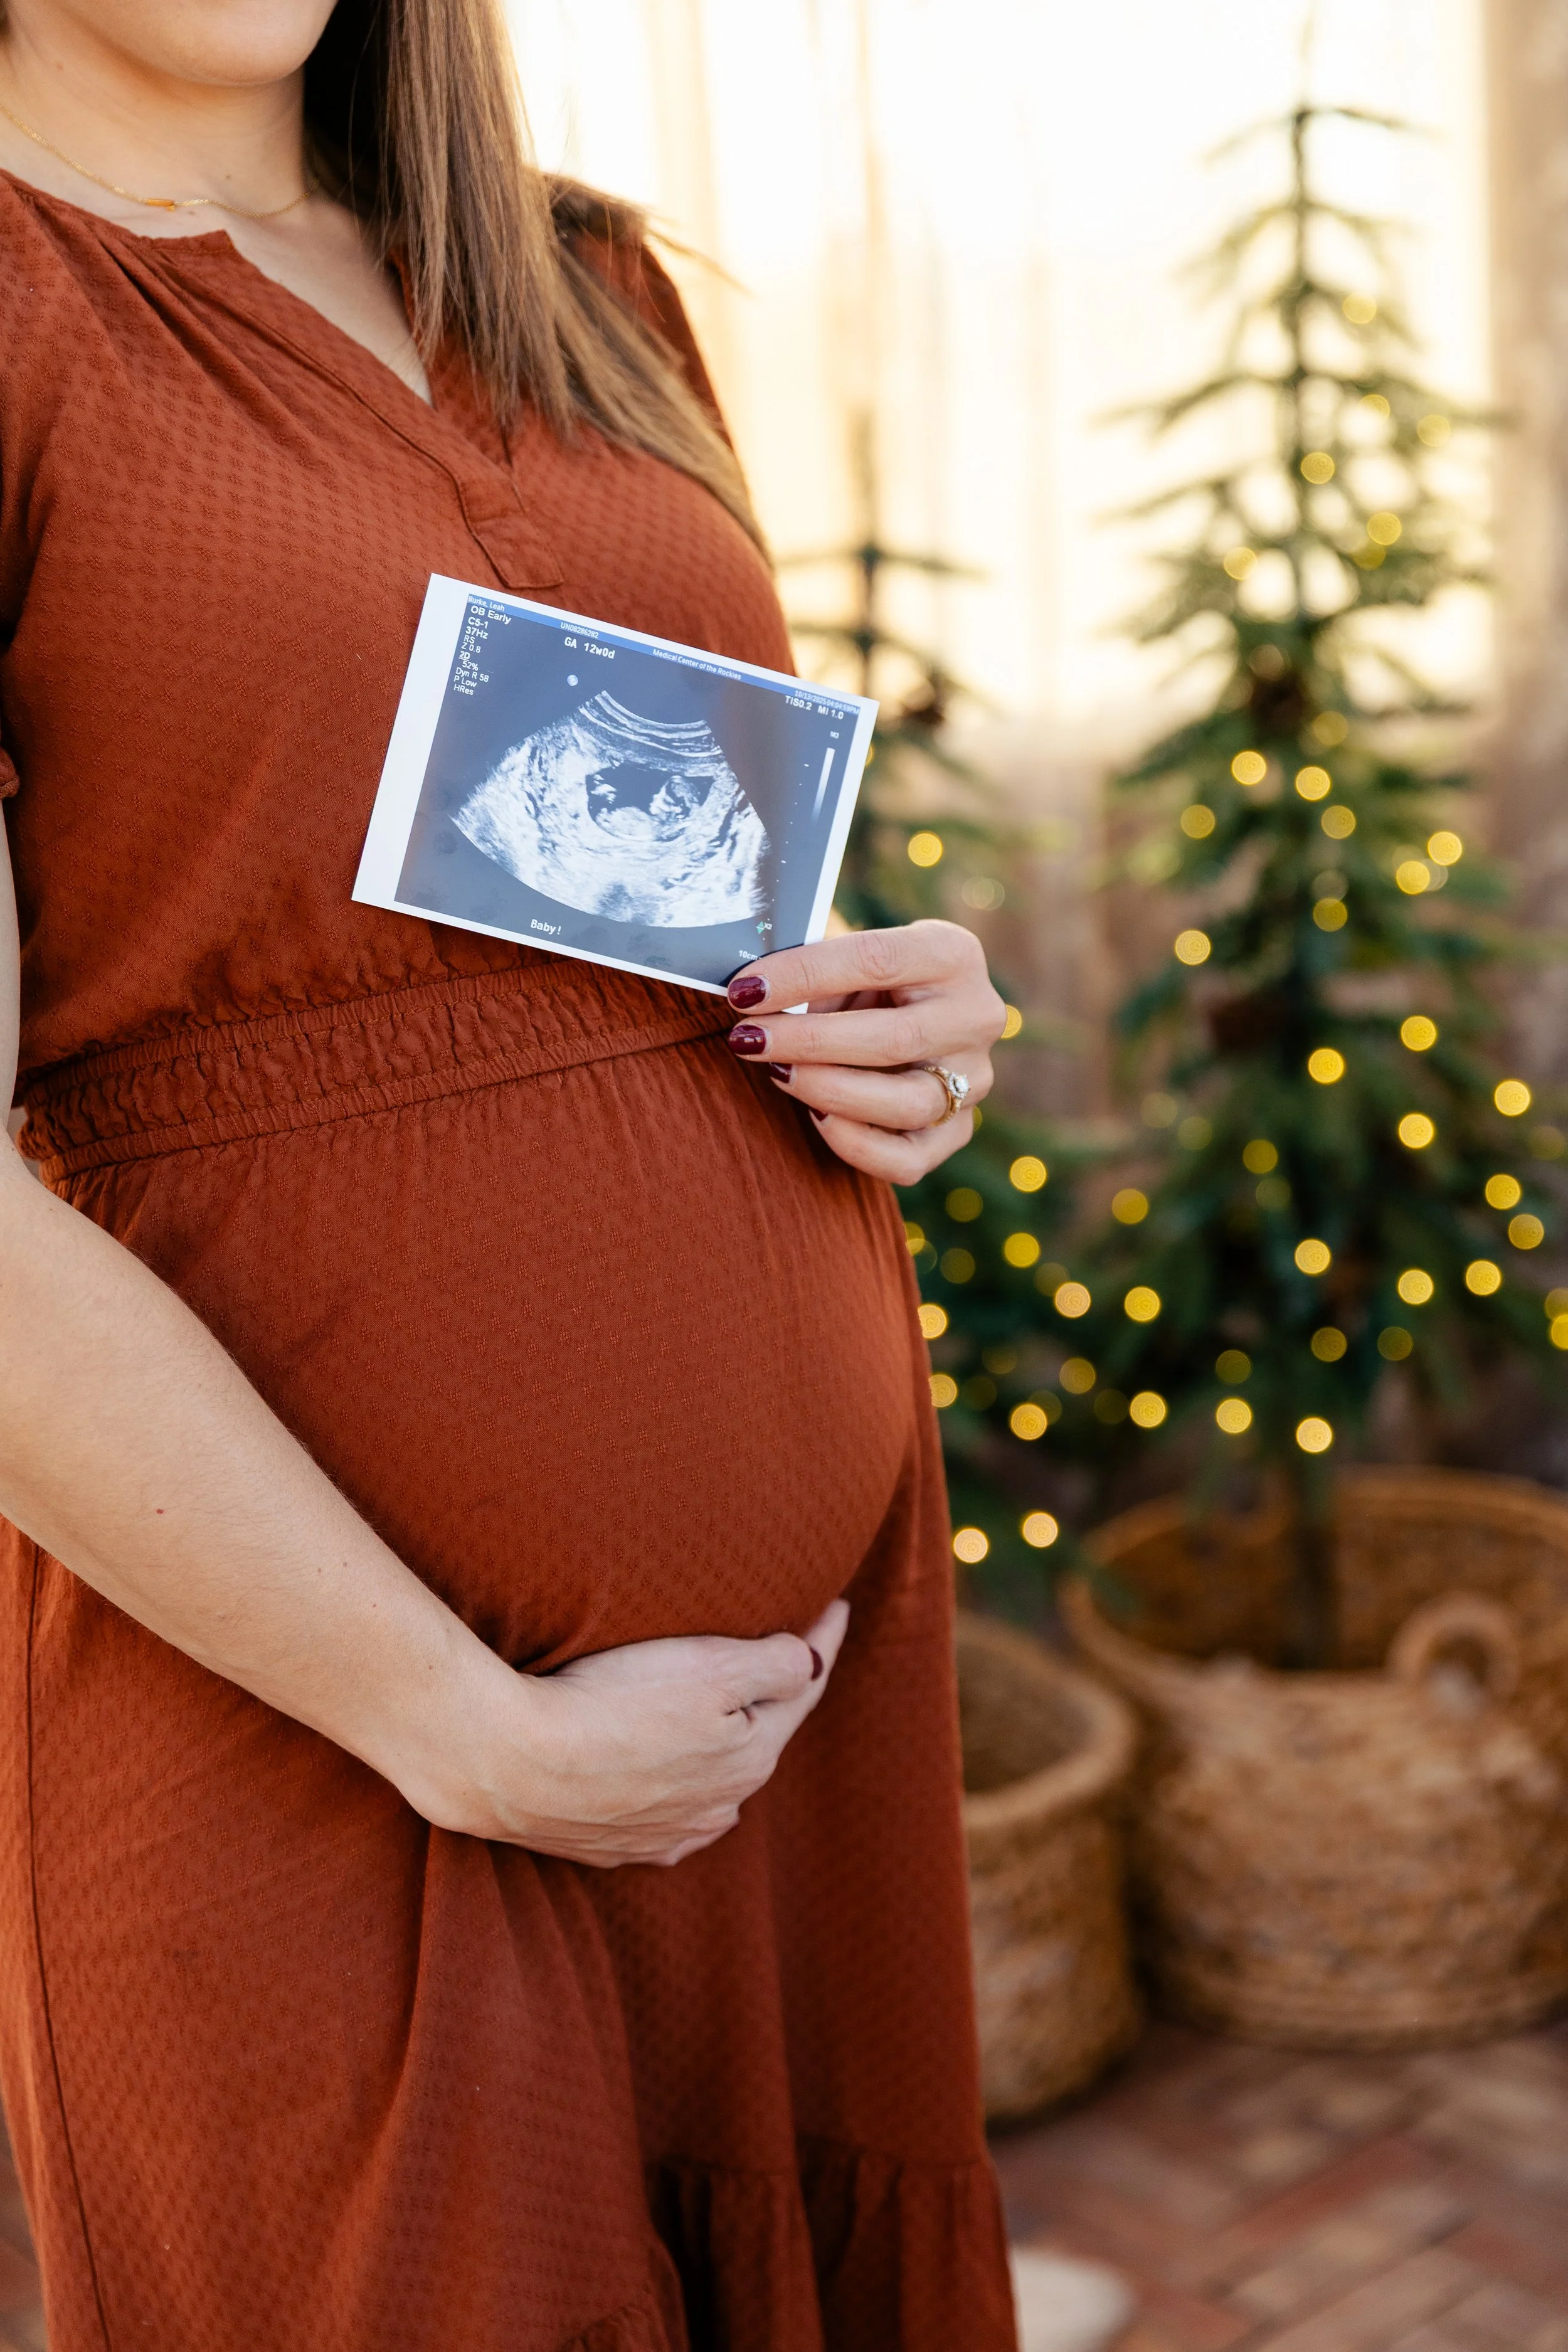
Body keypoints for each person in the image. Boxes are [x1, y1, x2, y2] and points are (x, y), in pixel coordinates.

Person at [0, 4, 1019, 2346]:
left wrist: (887, 1037)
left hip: (785, 1736)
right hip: (312, 1734)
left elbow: (677, 921)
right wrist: (463, 1722)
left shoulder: (578, 286)